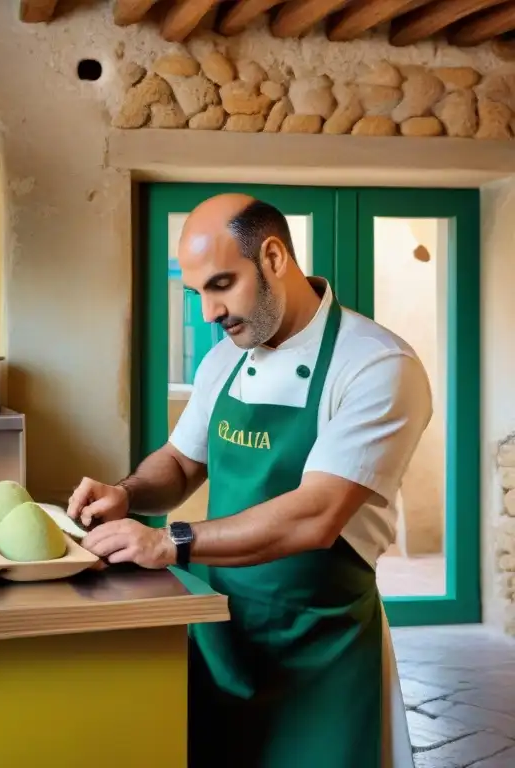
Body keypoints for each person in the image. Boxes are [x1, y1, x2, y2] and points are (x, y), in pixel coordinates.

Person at [67, 193, 431, 768]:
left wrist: (169, 542)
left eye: (221, 285)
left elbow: (318, 513)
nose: (209, 312)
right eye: (197, 294)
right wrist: (128, 494)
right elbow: (183, 464)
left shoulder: (376, 365)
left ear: (273, 257)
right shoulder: (225, 360)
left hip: (320, 646)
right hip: (220, 635)